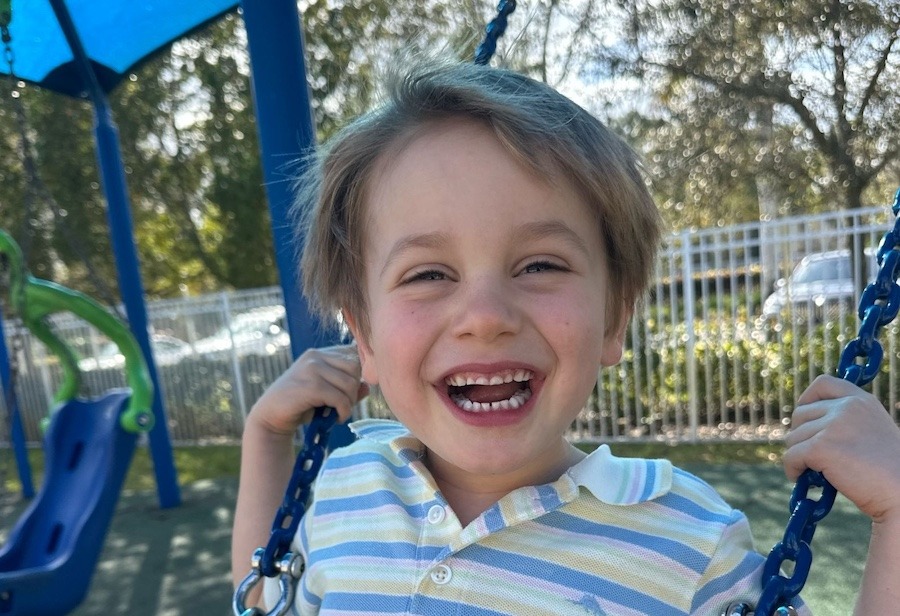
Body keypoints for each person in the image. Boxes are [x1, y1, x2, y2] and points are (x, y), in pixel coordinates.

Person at [232, 57, 900, 615]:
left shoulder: (687, 543)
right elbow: (264, 598)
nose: (485, 315)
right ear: (364, 336)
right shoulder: (345, 484)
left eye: (540, 266)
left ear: (614, 317)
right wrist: (264, 437)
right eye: (428, 274)